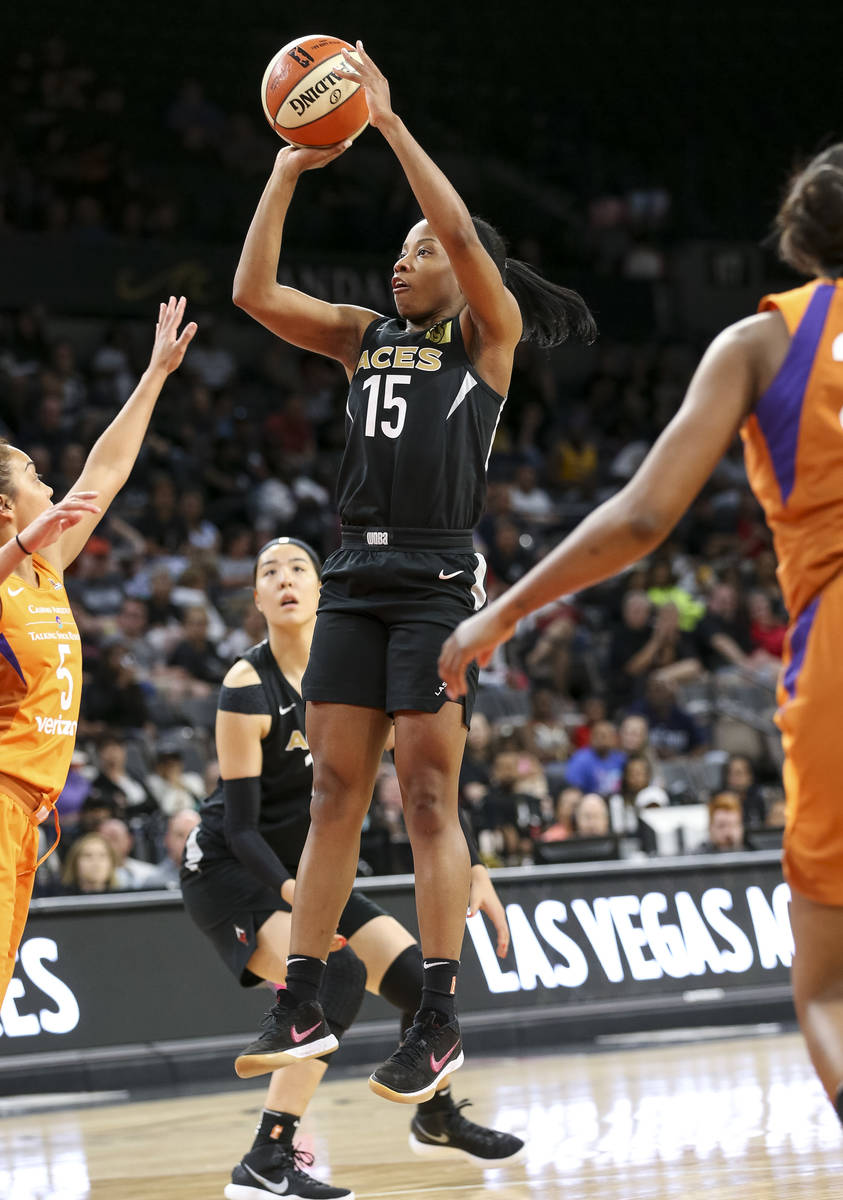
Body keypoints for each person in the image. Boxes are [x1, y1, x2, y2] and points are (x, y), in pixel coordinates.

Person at [439, 143, 843, 1125]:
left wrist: (505, 609)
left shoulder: (764, 342)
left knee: (831, 986)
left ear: (798, 244)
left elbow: (639, 518)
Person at [231, 39, 596, 1105]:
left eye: (420, 250)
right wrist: (286, 169)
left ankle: (437, 1013)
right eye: (397, 252)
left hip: (437, 580)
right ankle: (303, 991)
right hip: (351, 575)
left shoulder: (490, 335)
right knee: (338, 789)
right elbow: (253, 290)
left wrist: (386, 123)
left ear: (457, 261)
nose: (403, 262)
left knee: (428, 796)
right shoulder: (361, 336)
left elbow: (448, 227)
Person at [181, 538, 524, 1200]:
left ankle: (435, 1115)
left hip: (307, 871)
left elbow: (432, 783)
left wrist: (474, 865)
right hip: (233, 870)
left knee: (416, 982)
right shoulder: (246, 686)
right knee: (331, 975)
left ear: (324, 589)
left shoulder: (354, 684)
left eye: (298, 568)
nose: (284, 579)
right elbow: (243, 827)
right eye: (268, 572)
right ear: (255, 598)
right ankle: (266, 1157)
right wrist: (300, 896)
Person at [0, 296, 196, 1005]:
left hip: (31, 813)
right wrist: (20, 543)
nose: (50, 484)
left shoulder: (44, 571)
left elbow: (102, 477)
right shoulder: (13, 573)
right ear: (3, 507)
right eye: (30, 475)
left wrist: (153, 377)